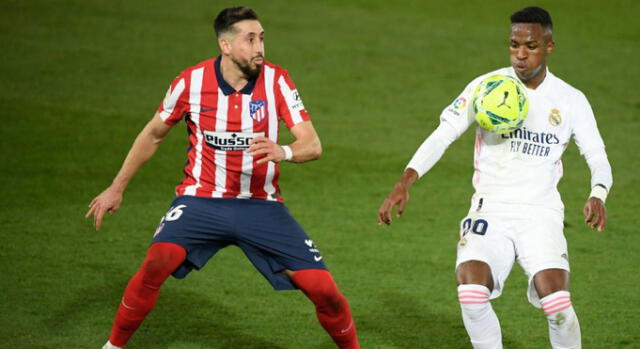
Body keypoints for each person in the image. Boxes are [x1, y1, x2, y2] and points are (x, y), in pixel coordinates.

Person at [86, 6, 360, 349]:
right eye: (250, 39)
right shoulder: (190, 82)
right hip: (201, 201)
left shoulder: (277, 80)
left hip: (261, 206)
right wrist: (117, 187)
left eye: (262, 38)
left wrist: (284, 151)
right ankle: (112, 347)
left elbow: (312, 143)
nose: (260, 47)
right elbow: (153, 134)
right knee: (157, 262)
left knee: (324, 291)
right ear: (225, 45)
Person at [377, 6, 611, 349]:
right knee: (471, 291)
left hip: (540, 213)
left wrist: (598, 192)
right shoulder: (487, 87)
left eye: (530, 46)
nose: (520, 54)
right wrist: (405, 180)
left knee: (557, 306)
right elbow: (444, 133)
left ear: (549, 46)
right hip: (490, 209)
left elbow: (597, 156)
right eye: (514, 44)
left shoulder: (571, 100)